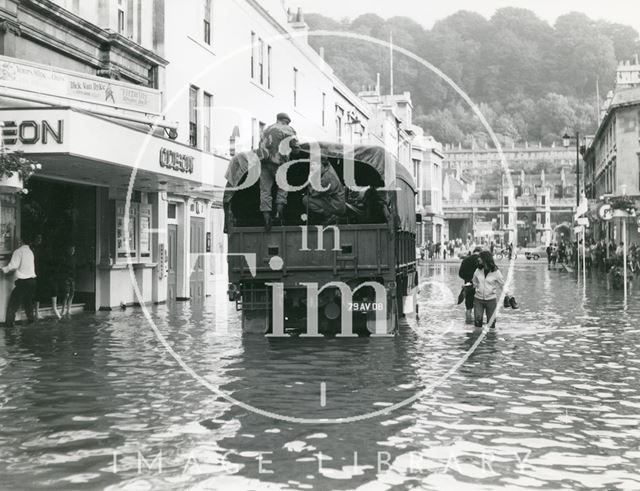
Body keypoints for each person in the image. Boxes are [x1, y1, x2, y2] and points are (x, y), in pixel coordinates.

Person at [257, 113, 298, 231]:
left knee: (265, 191)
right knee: (282, 188)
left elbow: (260, 146)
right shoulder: (289, 130)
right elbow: (296, 149)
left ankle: (266, 219)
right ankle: (278, 215)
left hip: (264, 164)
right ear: (286, 121)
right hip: (280, 164)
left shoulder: (266, 130)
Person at [1, 234, 37, 327]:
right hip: (32, 281)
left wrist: (2, 269)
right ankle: (31, 323)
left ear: (21, 241)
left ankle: (9, 326)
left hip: (24, 282)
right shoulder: (30, 251)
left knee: (13, 304)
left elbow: (13, 266)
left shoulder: (18, 251)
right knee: (28, 303)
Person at [301, 158, 345, 225]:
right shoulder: (327, 174)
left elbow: (313, 193)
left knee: (306, 200)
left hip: (336, 206)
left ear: (325, 167)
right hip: (336, 203)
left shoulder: (326, 178)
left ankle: (330, 216)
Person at [472, 250, 509, 328]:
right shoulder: (477, 271)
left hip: (491, 300)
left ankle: (491, 338)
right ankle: (477, 336)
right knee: (478, 322)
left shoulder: (496, 272)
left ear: (485, 259)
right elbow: (474, 283)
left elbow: (502, 285)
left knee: (491, 324)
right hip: (478, 300)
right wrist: (467, 286)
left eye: (480, 258)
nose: (478, 259)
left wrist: (508, 296)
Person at [33, 234, 61, 320]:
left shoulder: (45, 250)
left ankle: (54, 308)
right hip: (38, 273)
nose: (39, 240)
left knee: (54, 288)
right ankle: (36, 312)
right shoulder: (32, 249)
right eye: (38, 238)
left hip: (47, 273)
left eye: (41, 238)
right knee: (38, 291)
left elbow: (50, 262)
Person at [458, 246, 482, 324]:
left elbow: (460, 274)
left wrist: (468, 279)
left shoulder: (465, 260)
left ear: (473, 252)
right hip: (480, 286)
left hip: (468, 286)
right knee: (479, 307)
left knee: (468, 307)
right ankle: (477, 325)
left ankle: (468, 324)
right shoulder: (481, 260)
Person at [57, 245, 76, 317]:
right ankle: (63, 309)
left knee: (72, 294)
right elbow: (61, 268)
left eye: (74, 249)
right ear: (68, 250)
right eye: (71, 249)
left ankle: (68, 309)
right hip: (66, 278)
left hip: (72, 278)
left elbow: (76, 267)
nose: (73, 251)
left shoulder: (74, 258)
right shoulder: (64, 258)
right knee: (66, 294)